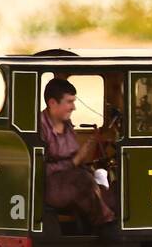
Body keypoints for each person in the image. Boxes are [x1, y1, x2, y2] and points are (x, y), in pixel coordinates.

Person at [39, 78, 115, 229]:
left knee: (112, 194)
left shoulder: (67, 125)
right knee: (84, 180)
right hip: (50, 186)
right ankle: (106, 226)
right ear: (52, 103)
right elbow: (39, 169)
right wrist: (73, 162)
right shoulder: (40, 128)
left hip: (74, 179)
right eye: (69, 102)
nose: (73, 107)